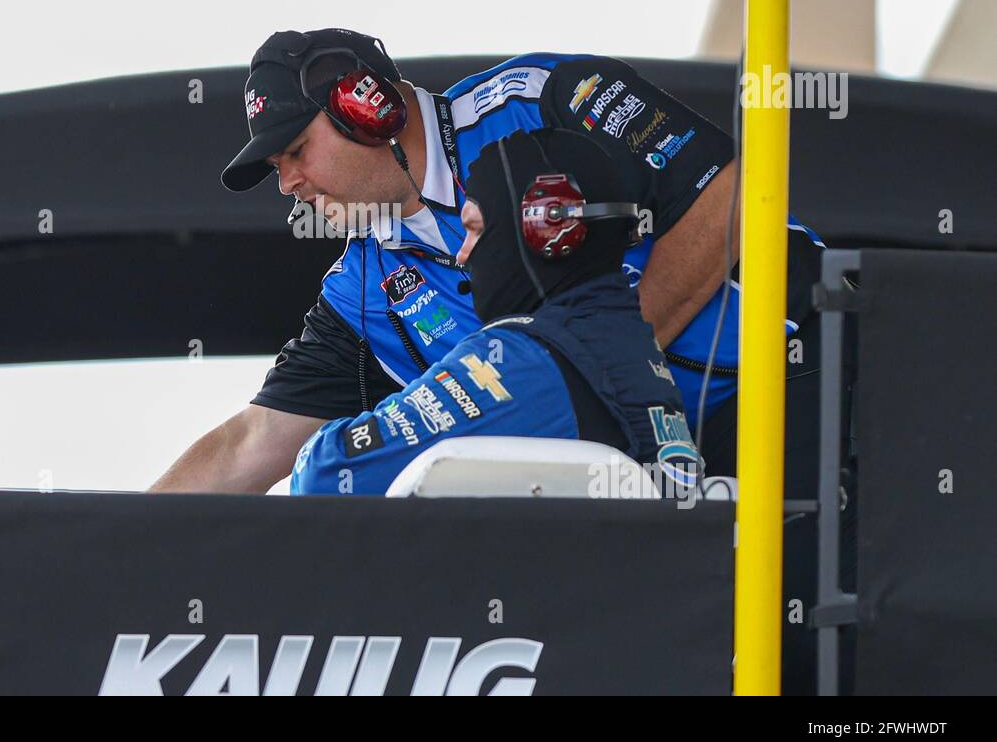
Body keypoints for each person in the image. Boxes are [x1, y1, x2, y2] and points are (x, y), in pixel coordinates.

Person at [152, 27, 824, 494]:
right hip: (668, 464)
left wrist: (607, 365)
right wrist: (108, 538)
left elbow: (734, 189)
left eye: (295, 150)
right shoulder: (364, 286)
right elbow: (255, 441)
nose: (288, 182)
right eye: (274, 167)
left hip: (806, 375)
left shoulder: (538, 100)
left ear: (368, 107)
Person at [290, 127, 701, 498]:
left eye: (475, 230)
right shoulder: (629, 348)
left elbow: (328, 474)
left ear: (548, 230)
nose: (463, 256)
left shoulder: (532, 359)